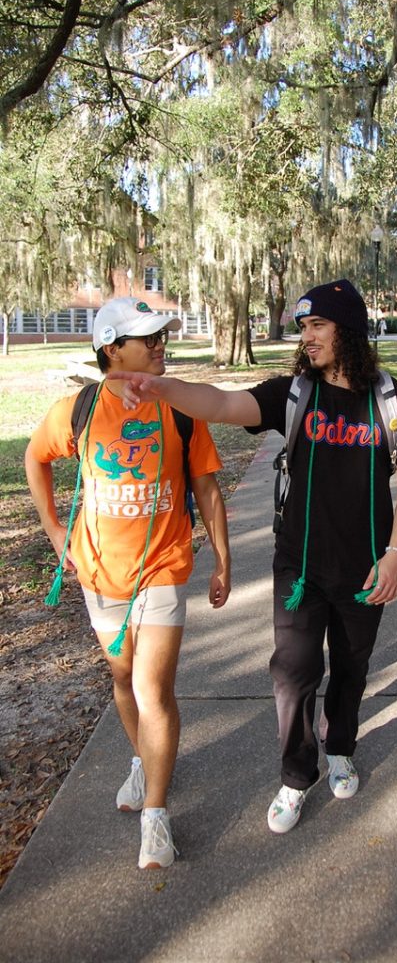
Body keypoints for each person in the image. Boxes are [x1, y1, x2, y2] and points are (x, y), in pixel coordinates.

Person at [112, 279, 397, 834]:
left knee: (351, 671)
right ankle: (295, 775)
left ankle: (341, 748)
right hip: (299, 569)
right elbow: (220, 404)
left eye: (317, 327)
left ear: (347, 330)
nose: (305, 338)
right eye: (303, 327)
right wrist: (162, 388)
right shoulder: (294, 394)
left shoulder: (394, 402)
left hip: (367, 569)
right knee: (292, 674)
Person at [25, 297, 231, 870]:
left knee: (152, 688)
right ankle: (144, 760)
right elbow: (34, 457)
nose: (161, 345)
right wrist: (52, 526)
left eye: (162, 337)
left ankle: (156, 818)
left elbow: (208, 489)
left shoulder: (181, 408)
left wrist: (222, 560)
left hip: (162, 564)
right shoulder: (80, 410)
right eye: (149, 340)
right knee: (122, 675)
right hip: (98, 568)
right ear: (113, 349)